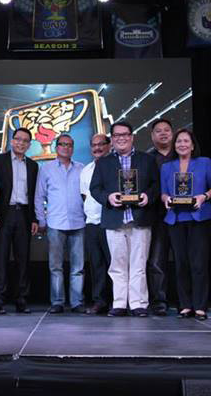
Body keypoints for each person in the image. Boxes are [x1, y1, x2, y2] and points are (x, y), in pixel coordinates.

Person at [90, 122, 159, 317]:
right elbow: (95, 189)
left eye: (125, 134)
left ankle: (138, 304)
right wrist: (108, 198)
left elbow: (156, 185)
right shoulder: (103, 162)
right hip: (114, 219)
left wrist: (148, 196)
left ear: (132, 137)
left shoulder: (147, 159)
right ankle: (119, 303)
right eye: (117, 135)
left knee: (139, 263)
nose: (121, 138)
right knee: (117, 265)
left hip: (140, 218)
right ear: (112, 139)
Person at [160, 128, 211, 321]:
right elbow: (163, 192)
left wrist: (204, 196)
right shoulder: (167, 167)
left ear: (193, 145)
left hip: (199, 218)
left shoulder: (204, 163)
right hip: (176, 219)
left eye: (186, 141)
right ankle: (185, 305)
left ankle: (200, 306)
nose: (182, 144)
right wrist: (166, 198)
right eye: (178, 142)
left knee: (199, 263)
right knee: (181, 264)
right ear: (174, 145)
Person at [34, 134, 86, 314]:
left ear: (73, 148)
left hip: (78, 222)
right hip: (55, 223)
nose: (66, 147)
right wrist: (41, 219)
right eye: (62, 144)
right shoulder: (46, 169)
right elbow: (39, 197)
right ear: (57, 147)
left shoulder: (81, 168)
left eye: (70, 145)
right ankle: (57, 302)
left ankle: (77, 302)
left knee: (78, 267)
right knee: (55, 266)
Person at [0, 128, 39, 314]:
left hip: (24, 214)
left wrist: (34, 218)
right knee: (0, 258)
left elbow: (34, 194)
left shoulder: (33, 166)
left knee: (23, 259)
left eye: (25, 141)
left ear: (29, 144)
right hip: (3, 214)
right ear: (11, 141)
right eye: (18, 139)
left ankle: (21, 300)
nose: (21, 143)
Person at [146, 118, 176, 316]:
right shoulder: (147, 158)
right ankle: (159, 302)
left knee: (185, 259)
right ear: (152, 136)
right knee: (156, 261)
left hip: (184, 215)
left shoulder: (183, 153)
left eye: (167, 130)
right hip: (156, 216)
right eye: (158, 131)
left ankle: (187, 301)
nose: (163, 133)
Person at [80, 133, 112, 315]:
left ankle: (118, 301)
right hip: (92, 223)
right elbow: (85, 197)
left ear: (109, 146)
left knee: (114, 265)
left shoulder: (115, 166)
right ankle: (99, 301)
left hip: (111, 222)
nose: (97, 148)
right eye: (94, 145)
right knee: (97, 265)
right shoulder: (86, 170)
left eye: (101, 144)